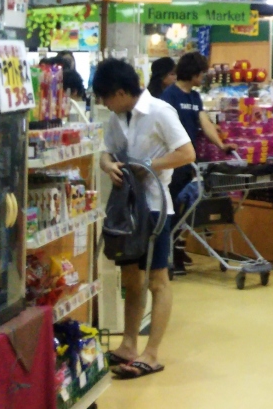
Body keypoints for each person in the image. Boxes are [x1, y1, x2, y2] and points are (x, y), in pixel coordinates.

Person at [93, 58, 195, 380]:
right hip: (126, 209)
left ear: (120, 93)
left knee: (157, 280)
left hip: (154, 207)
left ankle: (151, 353)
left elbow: (187, 153)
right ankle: (128, 345)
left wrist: (149, 165)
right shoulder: (117, 117)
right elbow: (107, 151)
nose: (104, 105)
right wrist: (107, 165)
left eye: (106, 98)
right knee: (131, 279)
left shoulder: (160, 112)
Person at [159, 52, 234, 274]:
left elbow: (204, 122)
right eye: (202, 73)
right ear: (193, 73)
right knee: (172, 208)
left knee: (187, 208)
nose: (203, 77)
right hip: (172, 161)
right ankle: (168, 256)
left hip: (189, 161)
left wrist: (221, 145)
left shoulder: (194, 97)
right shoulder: (169, 96)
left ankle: (178, 251)